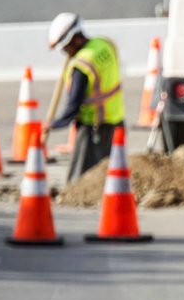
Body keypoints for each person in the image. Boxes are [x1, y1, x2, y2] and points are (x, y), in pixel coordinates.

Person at [43, 12, 125, 181]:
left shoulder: (82, 64)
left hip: (93, 126)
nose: (66, 52)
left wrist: (53, 124)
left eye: (66, 48)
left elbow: (73, 106)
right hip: (116, 121)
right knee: (112, 175)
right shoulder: (105, 44)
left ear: (76, 39)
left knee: (80, 180)